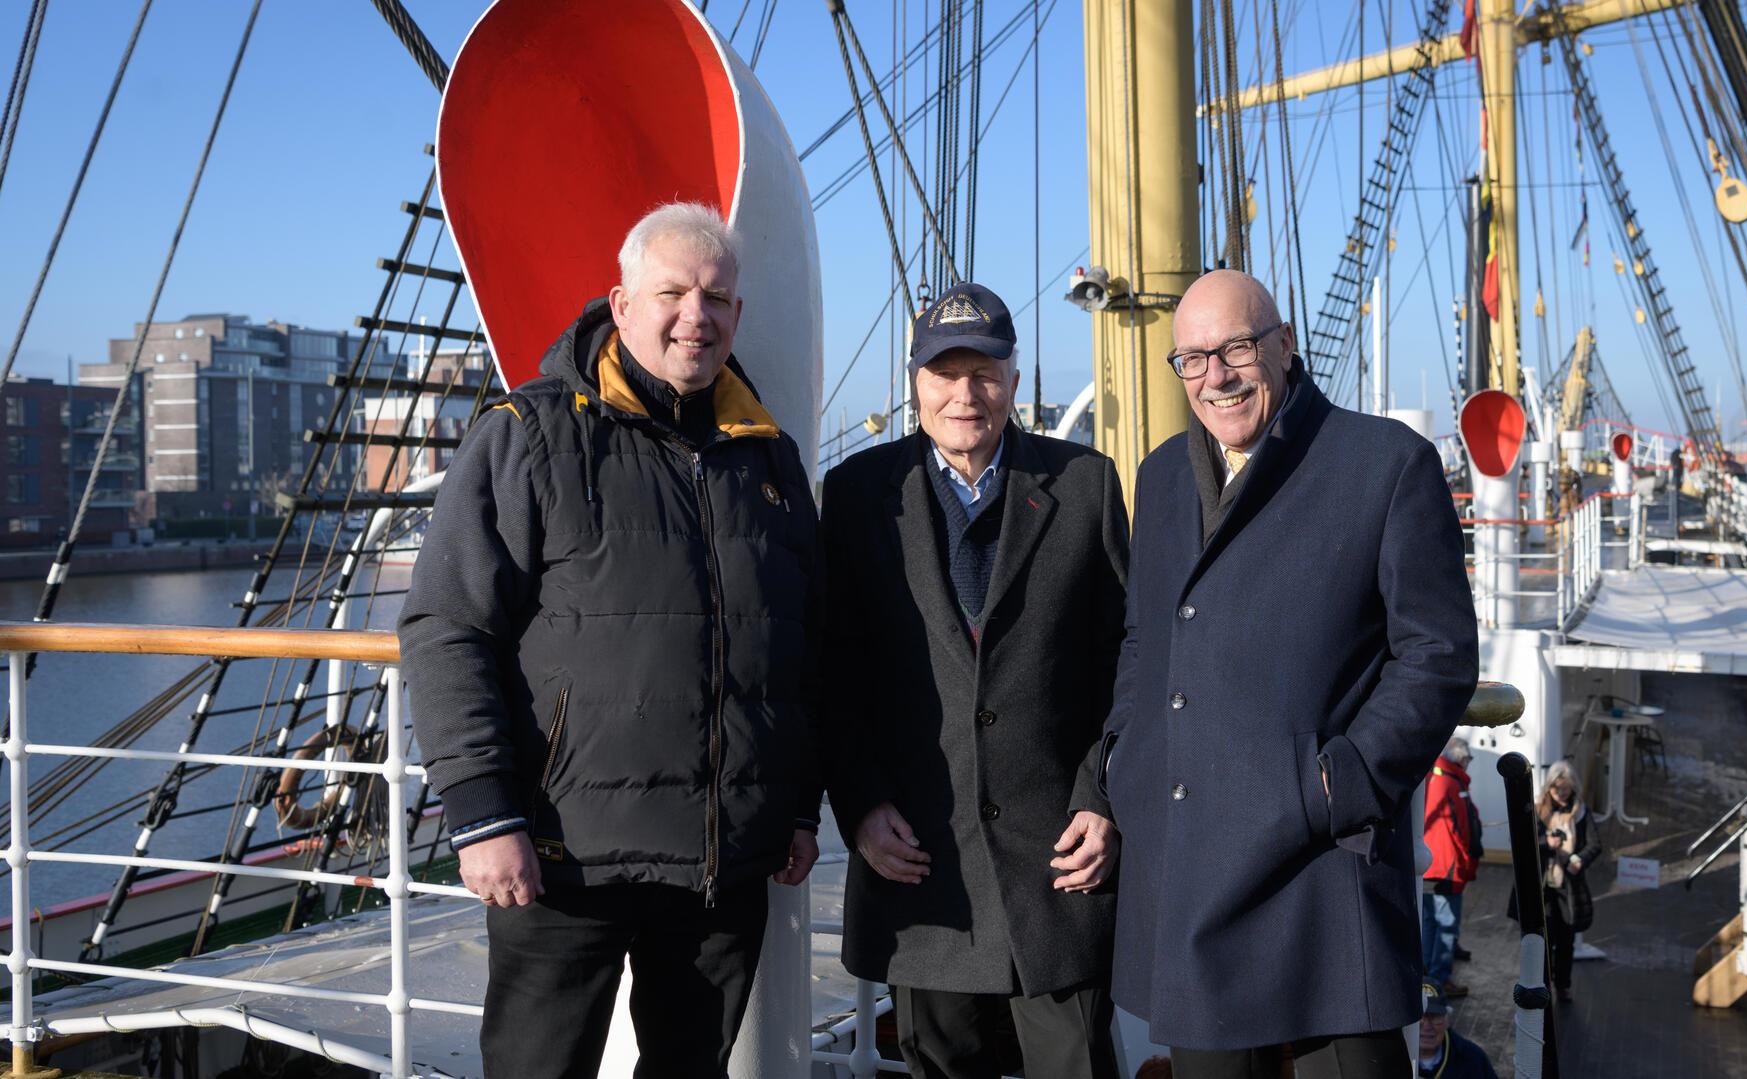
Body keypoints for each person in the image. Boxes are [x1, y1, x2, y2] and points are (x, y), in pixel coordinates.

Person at [399, 202, 822, 1078]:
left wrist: (796, 804)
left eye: (715, 296)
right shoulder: (531, 434)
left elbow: (802, 643)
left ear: (738, 315)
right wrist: (481, 811)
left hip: (720, 860)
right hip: (563, 857)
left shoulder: (767, 457)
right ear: (621, 305)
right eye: (670, 292)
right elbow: (448, 625)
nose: (694, 316)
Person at [1100, 270, 1479, 1079]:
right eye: (1193, 359)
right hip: (1194, 872)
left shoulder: (1385, 464)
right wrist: (1120, 771)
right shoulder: (1162, 477)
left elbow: (1438, 655)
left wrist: (1333, 783)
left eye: (1237, 347)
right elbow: (1145, 644)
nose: (1217, 376)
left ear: (1284, 343)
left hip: (1320, 874)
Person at [822, 281, 1129, 1079]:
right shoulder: (858, 497)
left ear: (1015, 382)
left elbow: (1126, 663)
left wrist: (1104, 798)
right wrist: (857, 804)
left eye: (985, 371)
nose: (966, 393)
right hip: (923, 867)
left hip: (1060, 863)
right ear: (914, 381)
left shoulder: (1086, 485)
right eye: (944, 372)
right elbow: (831, 669)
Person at [1533, 759, 1601, 1003]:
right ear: (1549, 787)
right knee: (1543, 937)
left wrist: (1580, 860)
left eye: (1566, 789)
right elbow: (1526, 842)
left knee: (1566, 939)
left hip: (1568, 886)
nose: (1561, 794)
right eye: (1556, 789)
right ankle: (1543, 983)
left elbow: (1595, 844)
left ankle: (1562, 983)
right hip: (1543, 885)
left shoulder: (1581, 812)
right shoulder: (1539, 810)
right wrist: (1545, 844)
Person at [1423, 737, 1478, 996]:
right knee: (1446, 923)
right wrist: (1467, 861)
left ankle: (1425, 975)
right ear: (1461, 759)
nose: (1468, 765)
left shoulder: (1433, 778)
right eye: (1468, 760)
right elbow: (1459, 830)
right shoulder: (1450, 783)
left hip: (1428, 865)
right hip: (1446, 867)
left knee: (1429, 922)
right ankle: (1439, 978)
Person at [1417, 980, 1498, 1079]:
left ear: (1447, 1021)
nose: (1427, 1026)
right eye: (1419, 1018)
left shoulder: (1473, 1059)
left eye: (1435, 1017)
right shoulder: (1393, 1060)